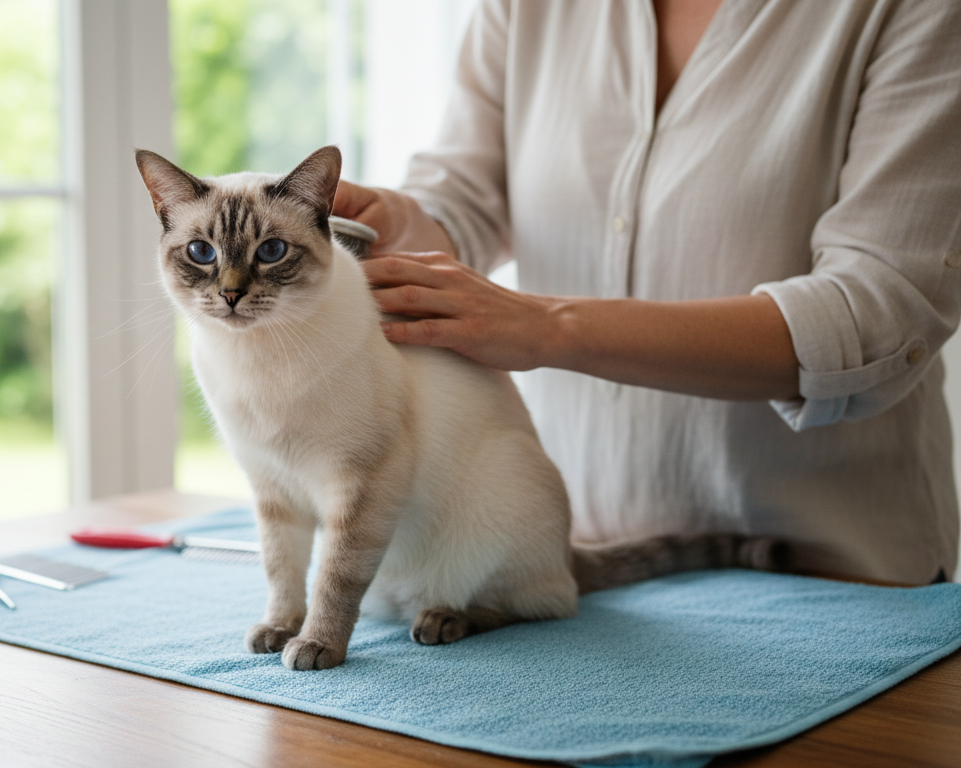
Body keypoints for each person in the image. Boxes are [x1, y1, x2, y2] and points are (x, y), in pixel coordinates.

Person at [332, 0, 961, 584]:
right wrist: (399, 220)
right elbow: (465, 197)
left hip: (833, 582)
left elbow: (877, 315)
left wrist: (551, 327)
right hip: (587, 568)